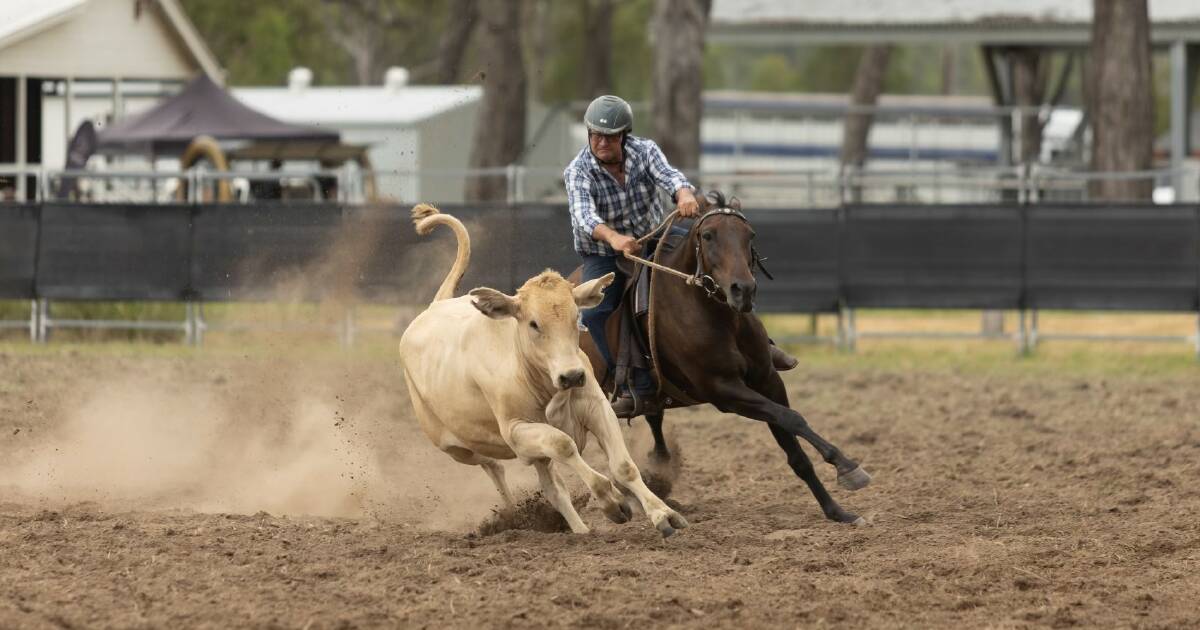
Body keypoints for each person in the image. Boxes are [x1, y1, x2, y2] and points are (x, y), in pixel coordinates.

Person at [564, 95, 798, 418]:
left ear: (624, 136)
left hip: (653, 237)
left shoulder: (644, 151)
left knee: (717, 264)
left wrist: (684, 194)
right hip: (604, 252)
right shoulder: (577, 170)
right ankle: (628, 379)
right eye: (596, 135)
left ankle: (762, 347)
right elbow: (584, 215)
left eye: (610, 135)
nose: (602, 142)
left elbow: (670, 176)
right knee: (592, 313)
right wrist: (615, 238)